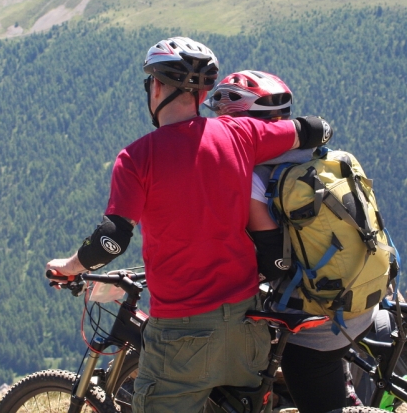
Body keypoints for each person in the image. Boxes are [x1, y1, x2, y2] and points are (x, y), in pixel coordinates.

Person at [46, 37, 332, 412]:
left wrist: (69, 267)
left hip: (182, 332)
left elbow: (111, 242)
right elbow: (314, 128)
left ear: (158, 87)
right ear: (204, 91)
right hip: (247, 325)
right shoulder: (240, 134)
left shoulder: (136, 158)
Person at [204, 70, 372, 413]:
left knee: (300, 368)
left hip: (321, 317)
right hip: (363, 292)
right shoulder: (321, 156)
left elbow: (275, 259)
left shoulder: (253, 175)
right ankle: (349, 394)